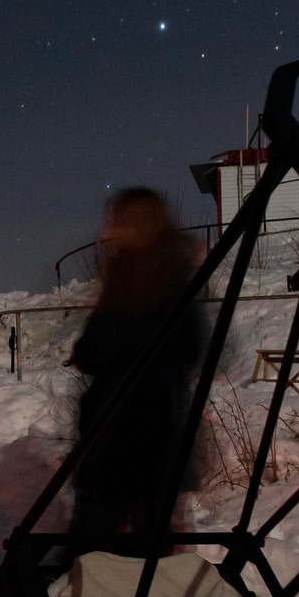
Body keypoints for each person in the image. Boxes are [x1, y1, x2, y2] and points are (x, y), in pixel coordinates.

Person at [68, 187, 206, 551]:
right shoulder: (173, 277)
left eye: (116, 219)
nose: (107, 227)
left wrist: (95, 352)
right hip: (156, 431)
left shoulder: (133, 279)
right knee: (150, 537)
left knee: (95, 540)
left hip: (124, 431)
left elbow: (96, 349)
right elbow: (191, 346)